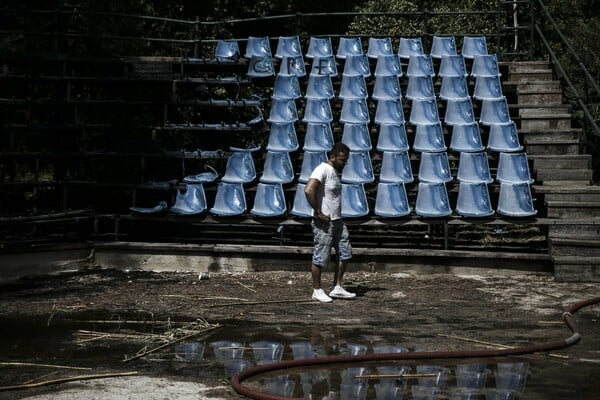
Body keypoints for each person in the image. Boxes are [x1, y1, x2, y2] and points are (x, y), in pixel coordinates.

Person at [304, 142, 356, 303]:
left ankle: (337, 287)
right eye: (342, 160)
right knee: (321, 256)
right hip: (324, 222)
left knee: (345, 252)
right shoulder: (322, 169)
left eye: (346, 160)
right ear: (332, 157)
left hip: (337, 220)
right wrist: (319, 212)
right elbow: (309, 189)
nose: (344, 163)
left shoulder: (333, 172)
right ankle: (317, 290)